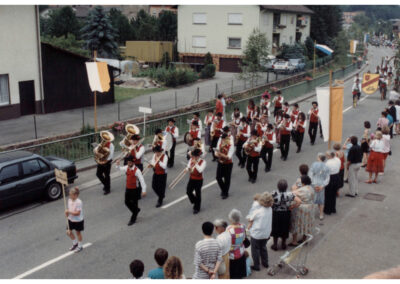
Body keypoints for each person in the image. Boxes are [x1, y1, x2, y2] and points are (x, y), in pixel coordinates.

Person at [116, 156, 147, 226]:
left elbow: (142, 181)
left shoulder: (137, 171)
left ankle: (133, 219)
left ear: (133, 162)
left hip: (135, 189)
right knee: (126, 202)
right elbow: (119, 169)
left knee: (135, 203)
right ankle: (136, 210)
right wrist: (117, 165)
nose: (129, 163)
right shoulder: (126, 167)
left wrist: (144, 190)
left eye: (130, 162)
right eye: (128, 162)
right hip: (128, 188)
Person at [246, 192, 273, 271]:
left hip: (256, 234)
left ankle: (257, 266)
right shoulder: (270, 209)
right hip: (266, 233)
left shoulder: (258, 211)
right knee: (263, 248)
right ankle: (265, 263)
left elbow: (250, 219)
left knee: (255, 250)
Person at [271, 180, 299, 250]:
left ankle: (275, 245)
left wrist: (272, 206)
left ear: (278, 186)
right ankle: (283, 244)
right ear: (286, 187)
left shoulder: (274, 193)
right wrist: (292, 207)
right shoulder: (290, 194)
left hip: (276, 213)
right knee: (284, 228)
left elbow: (268, 201)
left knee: (275, 228)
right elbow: (299, 201)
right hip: (286, 213)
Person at [289, 175, 315, 246]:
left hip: (301, 209)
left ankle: (294, 241)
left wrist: (294, 188)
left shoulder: (301, 190)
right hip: (310, 208)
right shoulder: (311, 188)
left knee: (295, 223)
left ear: (303, 183)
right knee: (306, 223)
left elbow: (292, 194)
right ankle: (304, 239)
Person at [226, 209, 247, 279]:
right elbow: (244, 237)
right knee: (240, 272)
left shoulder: (229, 229)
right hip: (241, 251)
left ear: (231, 219)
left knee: (233, 274)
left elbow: (227, 242)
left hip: (232, 255)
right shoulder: (243, 226)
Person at [309, 153, 330, 220]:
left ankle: (311, 214)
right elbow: (327, 178)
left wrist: (313, 184)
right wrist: (322, 186)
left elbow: (310, 174)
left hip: (314, 184)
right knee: (321, 200)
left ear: (319, 158)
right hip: (321, 185)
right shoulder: (326, 167)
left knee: (312, 199)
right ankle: (321, 214)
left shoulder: (314, 164)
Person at [186, 149, 206, 214]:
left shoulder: (203, 162)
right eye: (194, 156)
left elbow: (200, 170)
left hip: (199, 180)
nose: (194, 157)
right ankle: (196, 202)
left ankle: (197, 208)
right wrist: (187, 169)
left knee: (198, 193)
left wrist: (196, 163)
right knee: (188, 191)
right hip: (191, 178)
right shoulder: (191, 160)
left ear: (199, 156)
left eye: (196, 156)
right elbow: (188, 166)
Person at [215, 133, 234, 199]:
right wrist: (217, 154)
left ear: (227, 139)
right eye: (222, 139)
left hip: (228, 163)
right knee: (218, 177)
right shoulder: (220, 143)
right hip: (221, 162)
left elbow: (228, 157)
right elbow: (216, 150)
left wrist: (220, 154)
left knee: (227, 179)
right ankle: (224, 190)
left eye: (224, 139)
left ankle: (225, 193)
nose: (222, 140)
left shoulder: (231, 145)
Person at [65, 187, 84, 253]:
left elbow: (78, 213)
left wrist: (69, 212)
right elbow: (69, 209)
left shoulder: (79, 202)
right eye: (69, 194)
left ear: (75, 195)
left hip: (78, 220)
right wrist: (67, 214)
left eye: (71, 195)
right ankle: (75, 243)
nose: (69, 196)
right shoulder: (69, 200)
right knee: (68, 232)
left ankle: (80, 246)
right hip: (71, 219)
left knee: (78, 233)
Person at [95, 131, 115, 195]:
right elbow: (96, 150)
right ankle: (106, 185)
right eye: (102, 138)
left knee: (107, 175)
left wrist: (105, 160)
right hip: (101, 161)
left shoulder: (111, 145)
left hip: (107, 162)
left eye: (105, 139)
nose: (103, 140)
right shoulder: (101, 144)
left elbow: (111, 155)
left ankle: (107, 189)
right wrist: (98, 153)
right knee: (98, 174)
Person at [324, 151, 341, 215]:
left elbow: (326, 173)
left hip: (330, 178)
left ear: (329, 156)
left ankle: (328, 210)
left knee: (328, 195)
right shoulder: (337, 159)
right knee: (333, 194)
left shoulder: (328, 163)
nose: (326, 157)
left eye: (327, 155)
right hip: (336, 176)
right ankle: (333, 208)